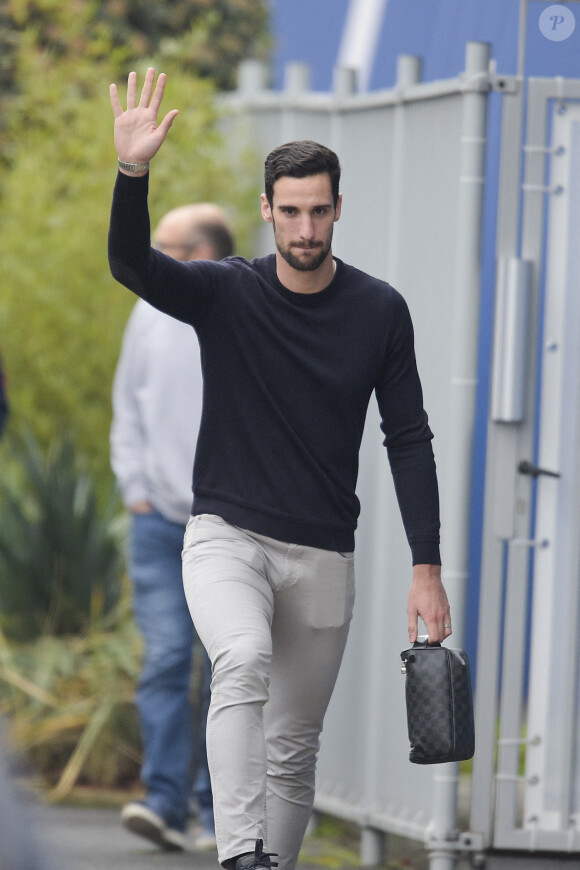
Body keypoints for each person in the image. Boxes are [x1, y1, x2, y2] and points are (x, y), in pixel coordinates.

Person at [108, 68, 452, 870]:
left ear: (338, 209)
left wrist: (425, 566)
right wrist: (132, 175)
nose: (304, 227)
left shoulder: (379, 311)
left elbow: (409, 438)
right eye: (289, 210)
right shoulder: (227, 293)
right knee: (241, 659)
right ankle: (238, 855)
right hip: (226, 535)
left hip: (324, 553)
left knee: (294, 746)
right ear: (266, 210)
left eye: (318, 210)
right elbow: (133, 266)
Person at [110, 201, 235, 852]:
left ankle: (220, 815)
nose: (151, 256)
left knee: (225, 670)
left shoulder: (242, 310)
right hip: (157, 520)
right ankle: (165, 803)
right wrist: (134, 489)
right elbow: (127, 400)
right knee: (165, 660)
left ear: (206, 255)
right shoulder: (146, 310)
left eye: (168, 246)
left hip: (229, 527)